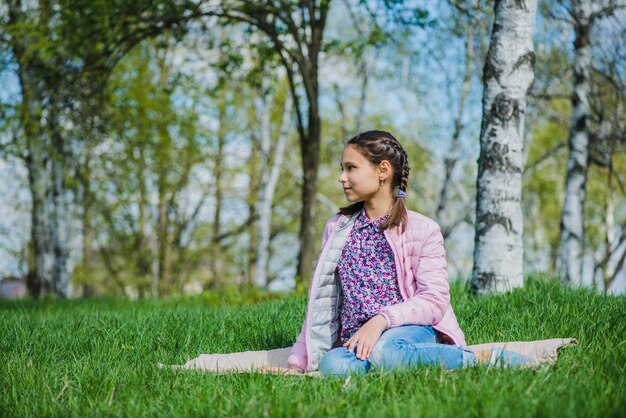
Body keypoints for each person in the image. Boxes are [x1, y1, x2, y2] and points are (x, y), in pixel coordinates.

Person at [287, 130, 478, 377]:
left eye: (351, 168)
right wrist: (298, 362)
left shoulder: (423, 229)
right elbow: (322, 301)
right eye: (342, 169)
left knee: (388, 353)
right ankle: (395, 363)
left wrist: (381, 321)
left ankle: (468, 358)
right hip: (357, 338)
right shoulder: (337, 228)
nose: (341, 177)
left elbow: (434, 300)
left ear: (383, 171)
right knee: (333, 366)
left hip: (410, 329)